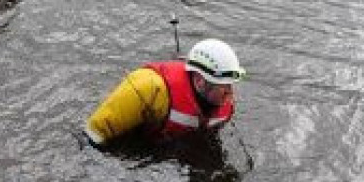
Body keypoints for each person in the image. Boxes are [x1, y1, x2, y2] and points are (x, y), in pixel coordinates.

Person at [84, 39, 244, 148]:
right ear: (201, 81)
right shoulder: (147, 88)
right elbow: (92, 135)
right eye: (224, 86)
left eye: (231, 84)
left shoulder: (224, 101)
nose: (230, 93)